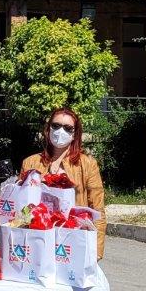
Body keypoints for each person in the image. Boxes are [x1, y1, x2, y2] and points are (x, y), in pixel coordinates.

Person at [20, 107, 108, 258]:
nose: (60, 131)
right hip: (37, 239)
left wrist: (96, 252)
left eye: (68, 128)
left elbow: (98, 210)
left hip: (72, 239)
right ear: (48, 130)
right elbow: (20, 205)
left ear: (75, 134)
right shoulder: (30, 162)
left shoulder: (87, 164)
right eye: (56, 126)